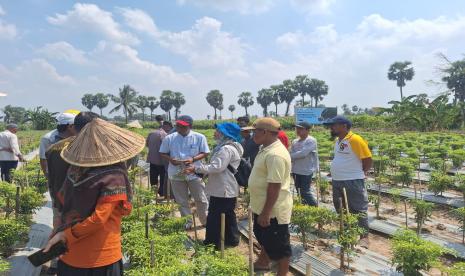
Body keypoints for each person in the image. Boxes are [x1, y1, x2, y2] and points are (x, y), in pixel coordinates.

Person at [44, 118, 145, 276]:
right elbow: (98, 219)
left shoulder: (75, 170)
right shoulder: (113, 176)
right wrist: (65, 234)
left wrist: (61, 232)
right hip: (100, 256)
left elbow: (63, 201)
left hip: (69, 253)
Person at [44, 112, 98, 274]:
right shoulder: (98, 150)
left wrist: (56, 202)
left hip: (61, 202)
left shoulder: (55, 149)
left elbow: (52, 178)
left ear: (75, 127)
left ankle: (56, 263)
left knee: (60, 232)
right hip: (90, 206)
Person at [244, 117, 293, 276]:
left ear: (264, 132)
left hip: (273, 211)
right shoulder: (266, 148)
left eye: (254, 131)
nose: (252, 135)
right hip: (263, 205)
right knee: (266, 238)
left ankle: (282, 273)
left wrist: (266, 212)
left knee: (280, 247)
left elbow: (275, 185)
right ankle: (263, 262)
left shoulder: (275, 155)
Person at [184, 122, 243, 248]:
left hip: (222, 188)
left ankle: (211, 243)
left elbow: (217, 167)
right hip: (225, 187)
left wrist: (196, 168)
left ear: (224, 134)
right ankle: (231, 239)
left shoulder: (226, 149)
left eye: (217, 131)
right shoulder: (233, 146)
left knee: (214, 217)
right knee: (228, 216)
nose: (215, 133)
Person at [324, 115, 373, 248]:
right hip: (337, 180)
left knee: (358, 208)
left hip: (353, 180)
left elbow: (367, 158)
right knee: (340, 207)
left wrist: (362, 172)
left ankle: (364, 237)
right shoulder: (338, 140)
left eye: (334, 125)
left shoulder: (355, 139)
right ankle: (346, 231)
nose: (332, 128)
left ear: (344, 126)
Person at [159, 115, 210, 227]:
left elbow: (205, 152)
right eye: (178, 125)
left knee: (201, 198)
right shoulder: (169, 138)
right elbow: (162, 152)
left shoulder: (199, 137)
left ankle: (206, 221)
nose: (179, 127)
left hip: (194, 172)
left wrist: (193, 159)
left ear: (190, 126)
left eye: (183, 126)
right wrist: (171, 160)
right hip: (176, 173)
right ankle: (187, 222)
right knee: (182, 200)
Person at [39, 110, 80, 177]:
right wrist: (48, 176)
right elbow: (43, 159)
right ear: (71, 126)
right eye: (77, 125)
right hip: (56, 174)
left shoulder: (78, 136)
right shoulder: (48, 138)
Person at [290, 122, 319, 206]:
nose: (298, 130)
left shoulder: (311, 140)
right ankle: (304, 208)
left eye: (300, 129)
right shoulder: (295, 141)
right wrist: (291, 156)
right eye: (297, 128)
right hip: (296, 170)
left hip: (306, 171)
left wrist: (289, 156)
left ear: (307, 130)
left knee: (305, 192)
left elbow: (303, 153)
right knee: (299, 192)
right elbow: (293, 152)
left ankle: (315, 208)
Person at [146, 121, 173, 197]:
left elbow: (147, 144)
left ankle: (153, 193)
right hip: (162, 161)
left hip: (152, 159)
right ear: (168, 126)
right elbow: (168, 149)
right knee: (163, 179)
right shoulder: (165, 135)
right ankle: (161, 193)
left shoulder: (151, 133)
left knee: (153, 177)